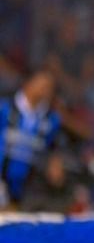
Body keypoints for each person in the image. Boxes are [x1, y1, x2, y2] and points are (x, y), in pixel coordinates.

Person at [0, 68, 60, 209]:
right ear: (28, 83)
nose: (46, 89)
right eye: (43, 84)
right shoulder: (4, 108)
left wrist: (55, 162)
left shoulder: (51, 119)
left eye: (50, 87)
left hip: (30, 190)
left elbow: (53, 148)